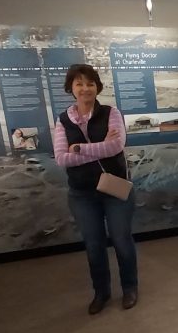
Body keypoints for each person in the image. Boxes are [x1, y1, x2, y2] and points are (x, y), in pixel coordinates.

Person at [53, 64, 137, 314]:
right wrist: (100, 146)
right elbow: (60, 159)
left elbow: (116, 147)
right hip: (82, 194)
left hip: (114, 188)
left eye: (90, 83)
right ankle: (101, 292)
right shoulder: (63, 119)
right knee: (94, 245)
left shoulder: (111, 112)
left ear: (97, 87)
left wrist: (78, 148)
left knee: (121, 240)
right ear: (71, 88)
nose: (85, 88)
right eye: (79, 83)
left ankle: (130, 288)